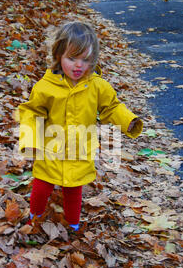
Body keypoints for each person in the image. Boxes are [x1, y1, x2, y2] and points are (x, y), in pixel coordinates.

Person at [15, 21, 143, 231]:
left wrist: (127, 121)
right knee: (41, 185)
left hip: (80, 150)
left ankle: (73, 225)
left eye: (85, 59)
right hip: (50, 149)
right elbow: (32, 112)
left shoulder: (97, 86)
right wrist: (30, 140)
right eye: (71, 58)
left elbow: (111, 107)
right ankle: (34, 218)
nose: (78, 65)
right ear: (58, 56)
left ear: (93, 59)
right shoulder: (46, 86)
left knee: (74, 189)